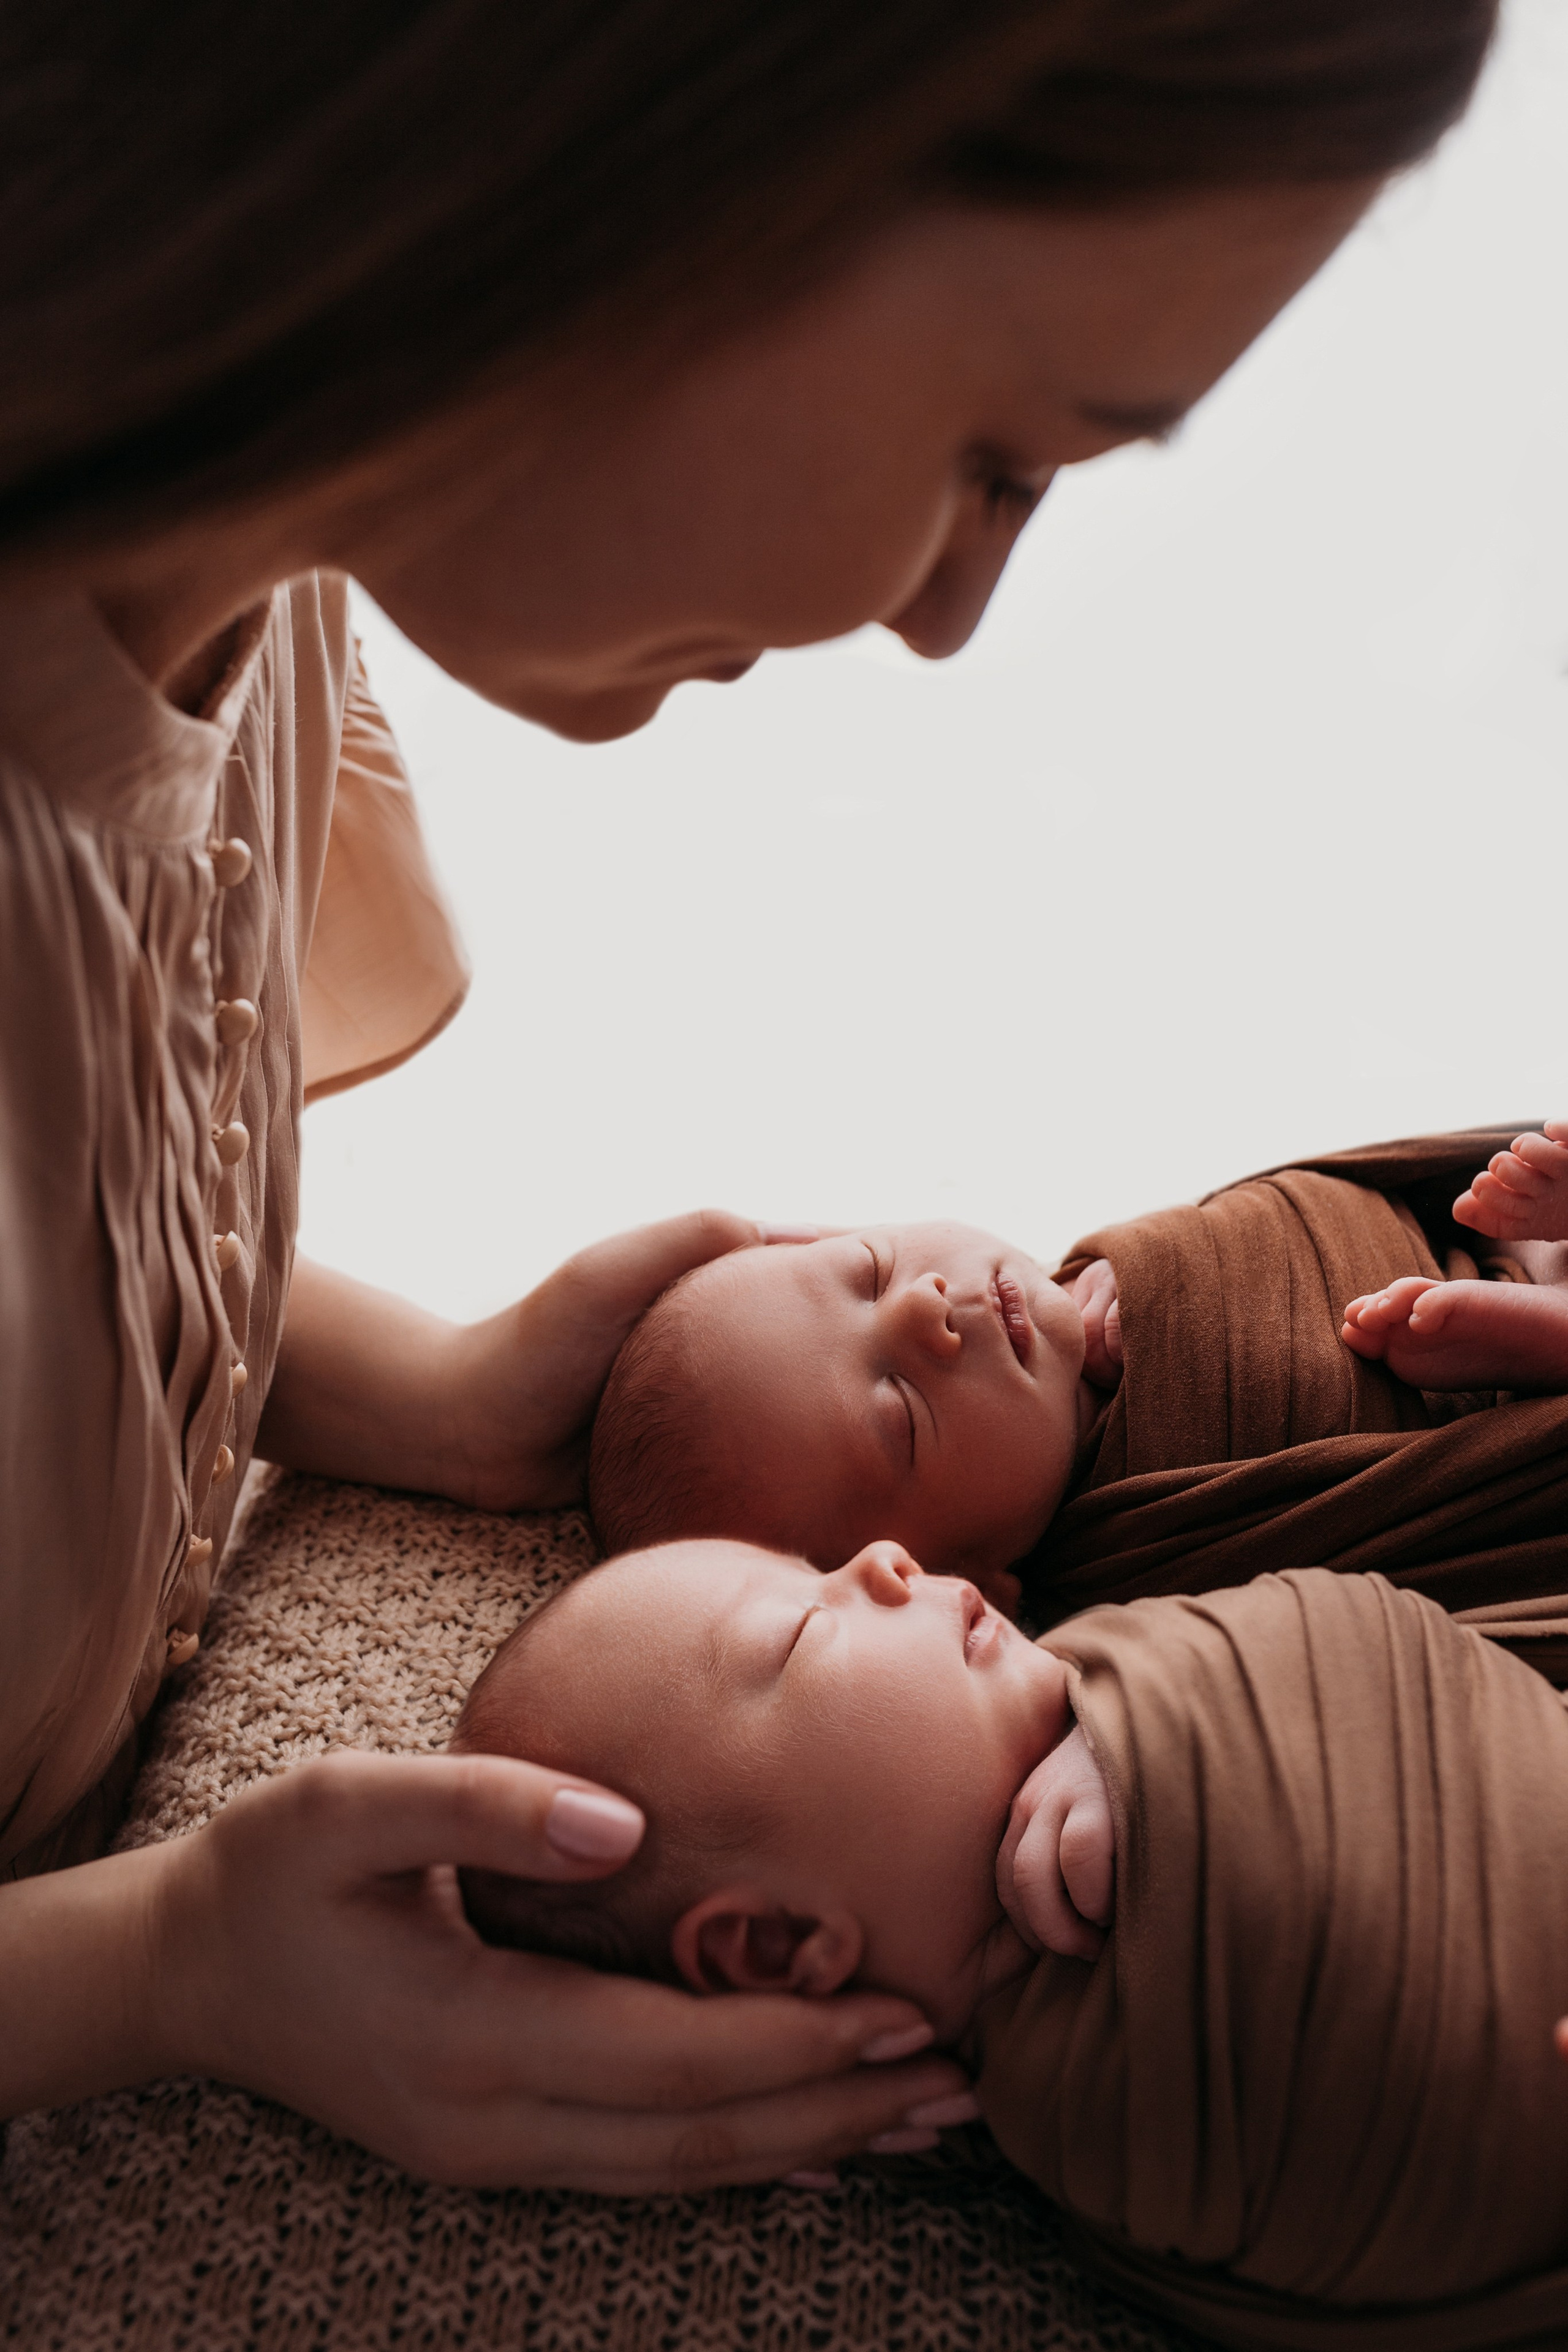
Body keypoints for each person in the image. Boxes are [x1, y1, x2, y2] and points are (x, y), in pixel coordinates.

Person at [0, 0, 1499, 2192]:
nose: (951, 617)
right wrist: (167, 1966)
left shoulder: (236, 580)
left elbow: (76, 1216)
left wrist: (409, 1386)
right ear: (637, 165)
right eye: (1002, 455)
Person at [452, 1537, 1568, 2344]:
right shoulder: (1085, 2126)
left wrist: (1138, 1730)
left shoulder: (1132, 1654)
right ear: (775, 1947)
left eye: (816, 1561)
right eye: (799, 1629)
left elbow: (1346, 1629)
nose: (885, 1558)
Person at [587, 1123, 1568, 1623]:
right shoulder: (1122, 1578)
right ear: (959, 1584)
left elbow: (1269, 1216)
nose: (924, 1307)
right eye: (898, 1410)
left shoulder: (1090, 1278)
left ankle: (1540, 1280)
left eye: (869, 1270)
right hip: (1493, 1456)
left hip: (1463, 1245)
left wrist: (1146, 1270)